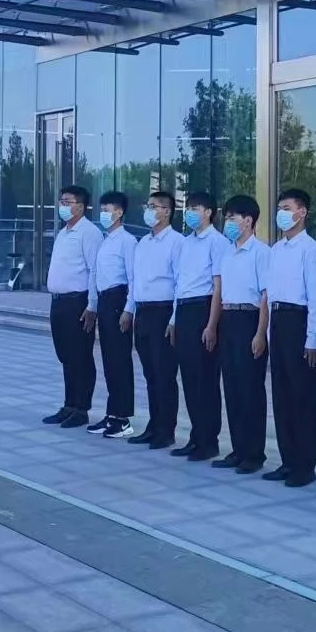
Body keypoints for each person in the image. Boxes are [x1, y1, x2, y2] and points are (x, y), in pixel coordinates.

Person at [264, 187, 316, 488]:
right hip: (278, 321)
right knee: (282, 395)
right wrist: (268, 332)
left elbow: (315, 298)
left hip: (299, 321)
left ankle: (305, 465)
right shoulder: (276, 250)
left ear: (302, 213)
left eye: (287, 208)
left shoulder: (310, 251)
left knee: (302, 397)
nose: (281, 213)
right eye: (279, 208)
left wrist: (313, 338)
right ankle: (287, 460)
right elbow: (271, 294)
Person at [215, 195, 271, 474]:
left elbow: (266, 296)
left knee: (251, 390)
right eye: (226, 217)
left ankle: (254, 453)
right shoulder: (227, 252)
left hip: (250, 319)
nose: (228, 222)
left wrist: (260, 333)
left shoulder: (261, 252)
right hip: (228, 319)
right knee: (233, 388)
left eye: (232, 217)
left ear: (248, 220)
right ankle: (238, 449)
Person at [171, 191, 228, 460]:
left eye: (196, 208)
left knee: (205, 379)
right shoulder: (185, 242)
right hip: (184, 310)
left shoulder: (217, 242)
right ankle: (196, 436)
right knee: (189, 378)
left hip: (203, 309)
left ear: (209, 212)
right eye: (188, 208)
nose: (190, 213)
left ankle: (208, 440)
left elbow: (218, 286)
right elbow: (179, 283)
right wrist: (173, 319)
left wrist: (212, 324)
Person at [125, 192, 183, 449]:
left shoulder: (177, 242)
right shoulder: (143, 243)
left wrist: (174, 319)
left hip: (163, 312)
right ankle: (154, 424)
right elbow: (135, 280)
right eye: (147, 205)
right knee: (150, 374)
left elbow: (181, 282)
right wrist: (129, 310)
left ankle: (166, 430)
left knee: (164, 374)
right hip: (143, 312)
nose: (149, 211)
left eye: (155, 206)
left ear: (167, 211)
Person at [44, 184, 102, 429]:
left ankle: (81, 408)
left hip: (77, 302)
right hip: (58, 301)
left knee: (80, 356)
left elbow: (94, 270)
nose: (63, 206)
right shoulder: (63, 233)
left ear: (81, 206)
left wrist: (92, 305)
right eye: (61, 201)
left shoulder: (89, 233)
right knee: (66, 355)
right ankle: (68, 405)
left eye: (68, 202)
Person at [90, 191, 137, 437]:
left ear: (119, 212)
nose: (103, 214)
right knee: (109, 361)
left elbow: (133, 278)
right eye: (102, 210)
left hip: (119, 300)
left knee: (120, 360)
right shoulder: (105, 240)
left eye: (107, 210)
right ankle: (111, 414)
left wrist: (129, 309)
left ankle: (123, 418)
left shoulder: (127, 241)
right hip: (104, 301)